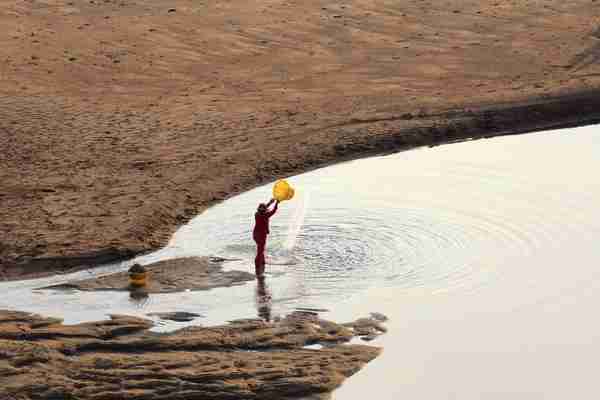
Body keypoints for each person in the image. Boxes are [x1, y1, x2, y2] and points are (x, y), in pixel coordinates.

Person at [253, 198, 279, 277]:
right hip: (261, 235)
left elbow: (265, 208)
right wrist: (277, 203)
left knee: (260, 249)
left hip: (255, 234)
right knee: (260, 251)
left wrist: (270, 202)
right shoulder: (265, 215)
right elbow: (273, 211)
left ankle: (262, 262)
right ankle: (257, 267)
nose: (265, 209)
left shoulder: (257, 214)